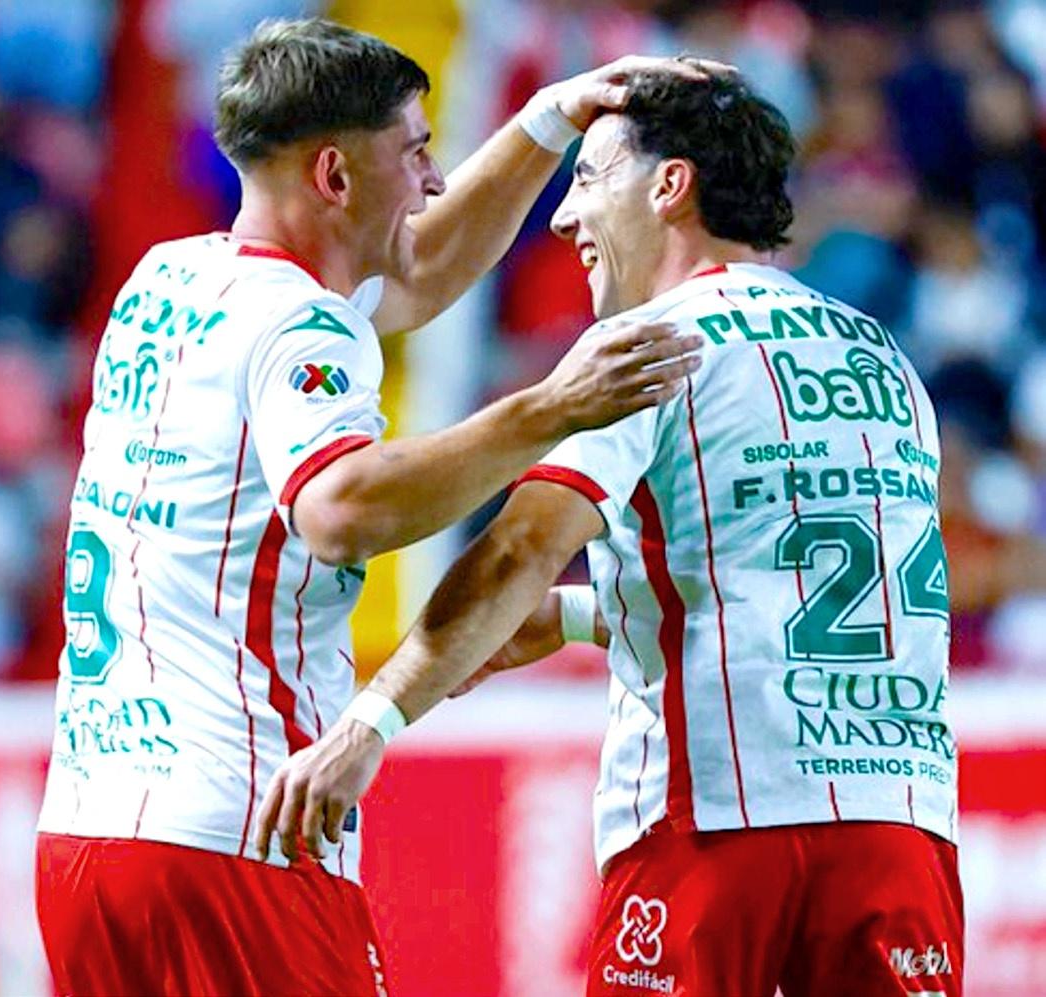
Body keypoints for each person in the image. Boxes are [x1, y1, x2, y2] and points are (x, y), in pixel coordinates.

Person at [33, 18, 707, 997]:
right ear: (334, 176)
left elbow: (421, 268)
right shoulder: (301, 324)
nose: (432, 181)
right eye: (415, 152)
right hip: (238, 830)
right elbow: (339, 509)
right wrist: (550, 409)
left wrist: (549, 119)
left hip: (87, 830)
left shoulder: (166, 282)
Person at [266, 68, 964, 997]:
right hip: (899, 826)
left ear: (669, 186)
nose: (563, 218)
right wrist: (574, 616)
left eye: (589, 179)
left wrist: (367, 724)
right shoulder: (884, 362)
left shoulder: (649, 345)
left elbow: (520, 547)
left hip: (712, 825)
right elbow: (788, 581)